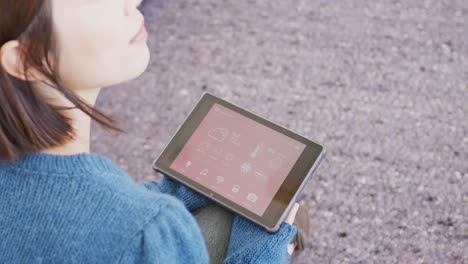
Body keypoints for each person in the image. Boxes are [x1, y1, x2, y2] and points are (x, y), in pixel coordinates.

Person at [0, 0, 309, 263]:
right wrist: (269, 253)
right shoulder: (148, 230)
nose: (131, 1)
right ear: (26, 60)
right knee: (253, 222)